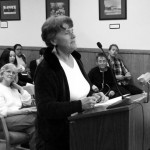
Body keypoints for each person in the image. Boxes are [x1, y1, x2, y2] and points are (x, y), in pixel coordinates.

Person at [34, 15, 108, 150]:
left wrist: (94, 96)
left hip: (82, 130)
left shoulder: (76, 59)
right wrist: (80, 105)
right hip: (57, 139)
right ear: (53, 40)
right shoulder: (46, 68)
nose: (73, 36)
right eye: (67, 33)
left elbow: (81, 90)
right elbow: (45, 108)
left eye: (72, 31)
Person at [0, 63, 36, 150]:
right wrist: (23, 111)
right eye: (8, 71)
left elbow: (27, 102)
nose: (11, 74)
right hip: (4, 120)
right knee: (39, 116)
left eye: (14, 73)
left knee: (35, 129)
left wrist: (20, 89)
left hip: (19, 118)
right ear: (2, 74)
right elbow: (3, 112)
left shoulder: (14, 89)